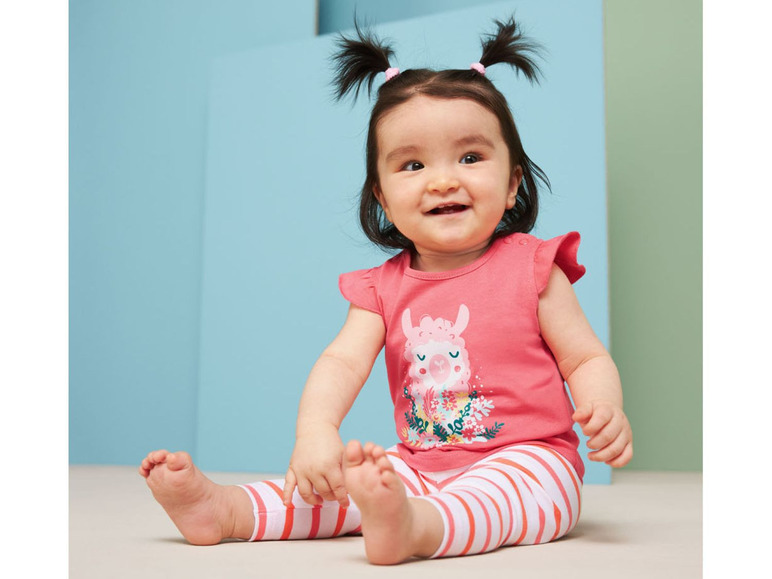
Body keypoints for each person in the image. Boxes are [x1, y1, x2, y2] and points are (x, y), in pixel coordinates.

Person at [139, 17, 633, 565]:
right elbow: (341, 363)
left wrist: (602, 405)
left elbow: (584, 357)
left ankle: (417, 527)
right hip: (417, 465)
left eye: (470, 157)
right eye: (413, 164)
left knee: (498, 495)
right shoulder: (382, 288)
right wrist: (316, 431)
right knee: (340, 487)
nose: (442, 180)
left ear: (514, 181)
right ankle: (229, 510)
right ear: (382, 198)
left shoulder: (534, 267)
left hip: (531, 459)